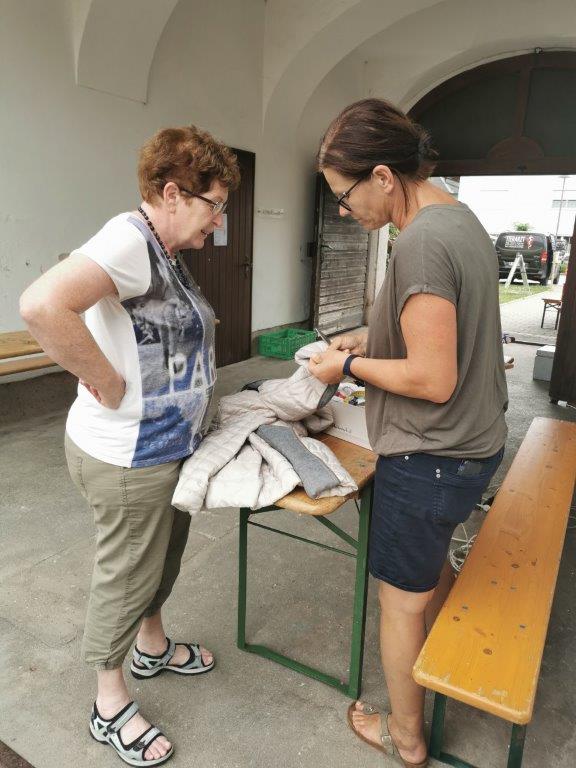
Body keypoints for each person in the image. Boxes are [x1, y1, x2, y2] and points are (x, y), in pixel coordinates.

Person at [20, 126, 240, 766]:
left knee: (160, 559)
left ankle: (153, 646)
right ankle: (108, 702)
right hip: (128, 457)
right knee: (126, 575)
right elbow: (41, 305)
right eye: (214, 207)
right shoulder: (127, 241)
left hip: (166, 449)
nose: (218, 222)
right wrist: (104, 378)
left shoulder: (160, 247)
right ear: (172, 194)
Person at [309, 99, 507, 768]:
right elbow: (441, 325)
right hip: (472, 447)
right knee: (430, 570)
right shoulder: (457, 216)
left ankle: (407, 736)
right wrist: (370, 338)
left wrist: (344, 366)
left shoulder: (420, 240)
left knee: (398, 602)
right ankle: (442, 658)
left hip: (432, 457)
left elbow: (431, 377)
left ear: (384, 176)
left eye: (345, 195)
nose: (343, 211)